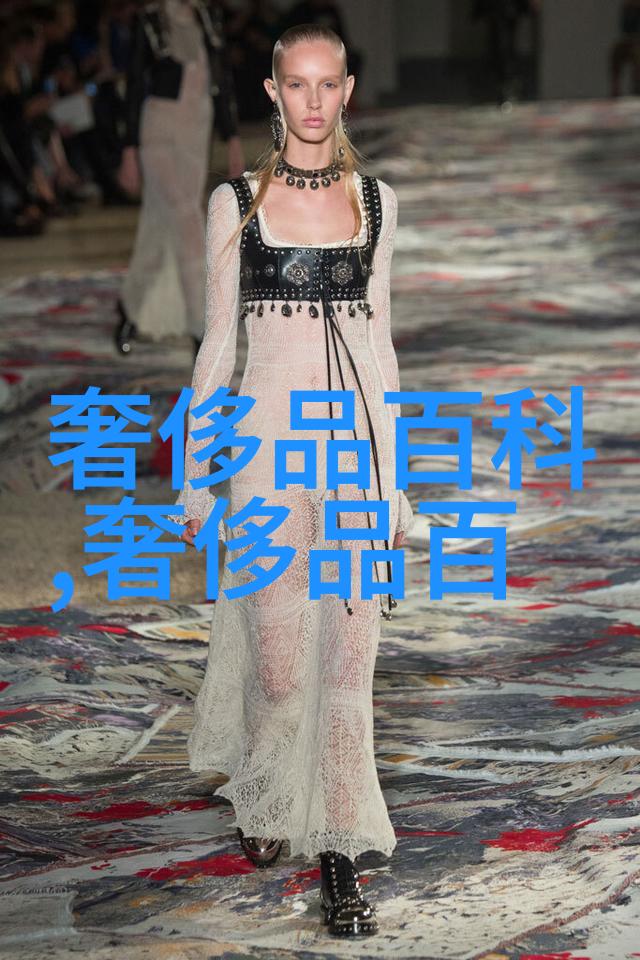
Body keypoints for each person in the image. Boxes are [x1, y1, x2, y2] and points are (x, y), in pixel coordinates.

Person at [170, 22, 414, 938]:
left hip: (353, 455)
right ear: (274, 92)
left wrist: (393, 481)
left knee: (347, 673)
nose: (314, 101)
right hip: (266, 455)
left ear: (347, 90)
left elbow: (381, 349)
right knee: (279, 675)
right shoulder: (235, 203)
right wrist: (196, 477)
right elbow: (217, 348)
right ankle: (267, 778)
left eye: (328, 84)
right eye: (296, 84)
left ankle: (338, 857)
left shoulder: (377, 203)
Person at [114, 0, 245, 355]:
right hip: (159, 127)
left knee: (161, 225)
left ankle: (130, 306)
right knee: (188, 221)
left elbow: (222, 80)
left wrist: (232, 138)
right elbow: (135, 84)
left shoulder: (207, 17)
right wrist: (129, 150)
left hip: (196, 130)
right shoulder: (151, 20)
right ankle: (201, 327)